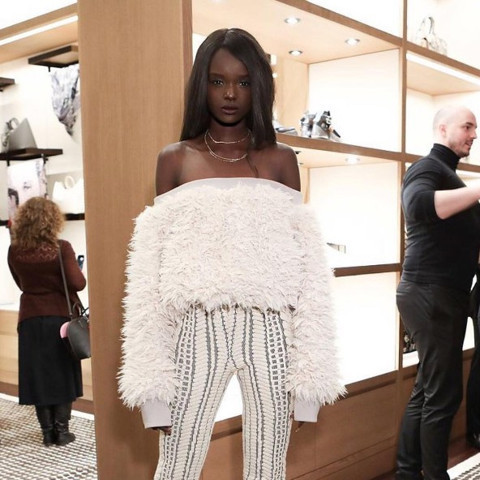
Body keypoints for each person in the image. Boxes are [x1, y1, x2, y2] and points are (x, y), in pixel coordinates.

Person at [118, 27, 345, 480]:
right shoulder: (174, 159)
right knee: (176, 465)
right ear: (201, 85)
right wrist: (152, 391)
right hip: (196, 327)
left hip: (271, 329)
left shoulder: (281, 159)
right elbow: (148, 279)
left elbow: (309, 275)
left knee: (268, 467)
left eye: (243, 82)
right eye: (218, 81)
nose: (230, 94)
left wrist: (309, 384)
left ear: (258, 87)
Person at [396, 105, 480, 480]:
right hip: (431, 292)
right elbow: (417, 206)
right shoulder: (426, 168)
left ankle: (407, 472)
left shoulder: (452, 178)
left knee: (427, 390)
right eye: (467, 126)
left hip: (440, 293)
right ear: (442, 129)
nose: (474, 135)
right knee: (443, 395)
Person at [7, 197, 86, 447]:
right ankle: (62, 432)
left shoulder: (14, 250)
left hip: (29, 319)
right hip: (59, 318)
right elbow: (78, 283)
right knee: (62, 373)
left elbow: (21, 283)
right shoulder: (61, 248)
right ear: (53, 220)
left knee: (38, 375)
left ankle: (47, 433)